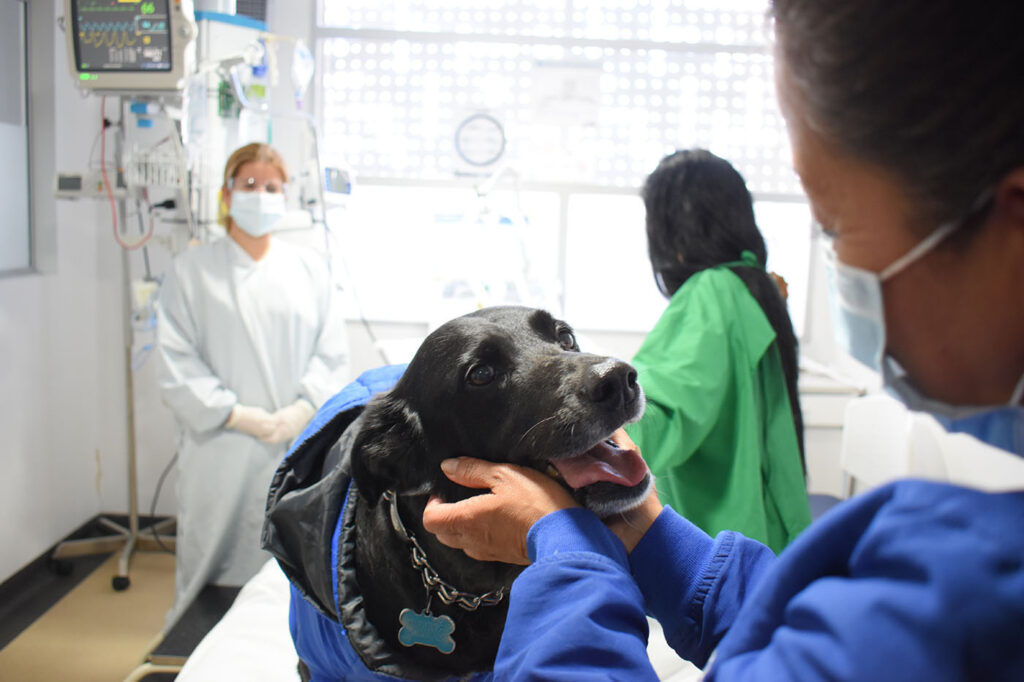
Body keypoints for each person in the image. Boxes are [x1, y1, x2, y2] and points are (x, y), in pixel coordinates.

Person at [420, 1, 1024, 678]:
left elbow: (662, 416)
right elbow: (802, 619)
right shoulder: (751, 289)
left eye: (835, 223)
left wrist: (563, 546)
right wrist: (646, 535)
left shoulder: (709, 296)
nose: (840, 262)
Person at [156, 142, 350, 627]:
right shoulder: (191, 271)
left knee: (288, 568)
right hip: (219, 446)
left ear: (285, 196)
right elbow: (175, 358)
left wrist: (303, 408)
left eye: (271, 186)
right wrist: (232, 412)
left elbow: (331, 352)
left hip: (297, 444)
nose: (260, 195)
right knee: (215, 563)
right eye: (248, 185)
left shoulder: (309, 271)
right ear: (226, 195)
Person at [625, 148, 809, 553]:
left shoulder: (710, 294)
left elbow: (654, 422)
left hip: (719, 549)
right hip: (765, 539)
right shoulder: (753, 287)